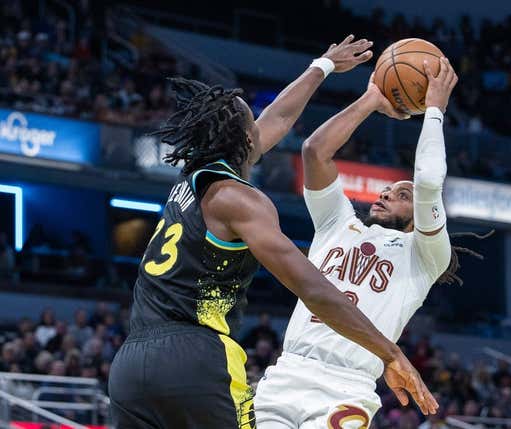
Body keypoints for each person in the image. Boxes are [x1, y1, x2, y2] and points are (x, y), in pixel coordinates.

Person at [108, 35, 433, 429]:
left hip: (130, 364)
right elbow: (314, 290)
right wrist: (390, 353)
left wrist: (323, 65)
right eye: (253, 120)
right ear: (248, 140)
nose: (263, 124)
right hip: (196, 357)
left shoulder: (192, 176)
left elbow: (277, 119)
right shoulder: (242, 201)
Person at [256, 58, 482, 427]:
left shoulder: (424, 256)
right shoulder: (336, 223)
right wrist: (372, 99)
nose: (386, 194)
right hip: (286, 372)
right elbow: (315, 151)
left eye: (400, 194)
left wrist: (435, 110)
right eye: (386, 190)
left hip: (346, 387)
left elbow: (427, 181)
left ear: (420, 214)